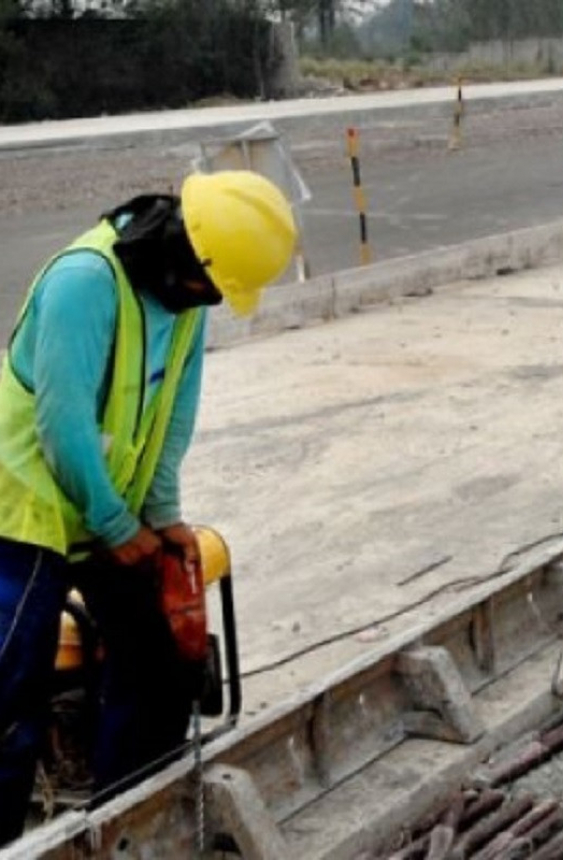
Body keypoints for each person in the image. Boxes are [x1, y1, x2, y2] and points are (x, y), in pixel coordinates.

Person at [0, 170, 296, 845]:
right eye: (207, 286)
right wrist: (115, 525)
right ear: (180, 253)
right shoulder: (85, 283)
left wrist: (163, 517)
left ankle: (127, 828)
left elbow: (172, 416)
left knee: (162, 672)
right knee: (12, 690)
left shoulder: (185, 300)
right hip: (24, 509)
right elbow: (62, 427)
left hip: (115, 510)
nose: (208, 301)